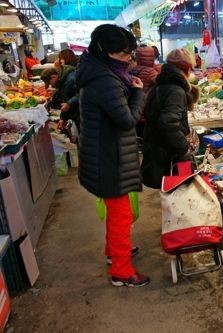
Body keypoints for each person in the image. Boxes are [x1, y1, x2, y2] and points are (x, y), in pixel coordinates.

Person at [75, 24, 149, 287]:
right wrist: (138, 93)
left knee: (118, 211)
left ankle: (114, 253)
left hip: (104, 153)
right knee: (120, 215)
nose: (129, 59)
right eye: (124, 54)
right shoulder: (105, 81)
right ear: (106, 53)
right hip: (110, 157)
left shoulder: (97, 73)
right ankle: (121, 270)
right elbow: (127, 120)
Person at [141, 48, 197, 189]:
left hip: (156, 150)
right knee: (177, 193)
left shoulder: (159, 86)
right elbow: (168, 122)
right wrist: (184, 148)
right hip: (167, 155)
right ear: (186, 68)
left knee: (168, 194)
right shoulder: (176, 91)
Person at [129, 45, 159, 139]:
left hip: (134, 109)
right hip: (146, 111)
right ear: (152, 57)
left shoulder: (132, 70)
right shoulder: (151, 72)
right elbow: (162, 83)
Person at [54, 49, 80, 132]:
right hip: (76, 113)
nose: (58, 61)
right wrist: (63, 118)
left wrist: (69, 104)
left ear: (63, 60)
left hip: (81, 113)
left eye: (59, 58)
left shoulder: (72, 75)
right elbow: (66, 97)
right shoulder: (68, 73)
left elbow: (81, 93)